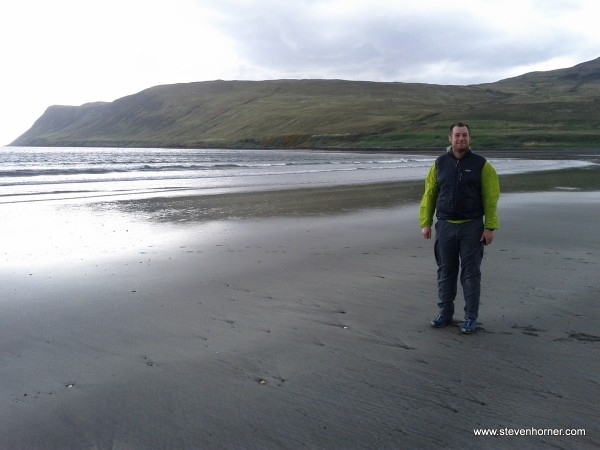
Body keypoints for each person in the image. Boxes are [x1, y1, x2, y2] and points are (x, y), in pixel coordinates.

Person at [419, 123, 500, 334]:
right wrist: (425, 223)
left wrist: (490, 226)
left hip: (472, 227)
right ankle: (445, 314)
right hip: (445, 226)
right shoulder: (439, 164)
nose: (461, 139)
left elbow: (491, 198)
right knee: (445, 271)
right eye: (457, 135)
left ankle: (470, 318)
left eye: (464, 135)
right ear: (450, 138)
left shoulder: (482, 165)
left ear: (469, 138)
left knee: (470, 273)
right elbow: (430, 194)